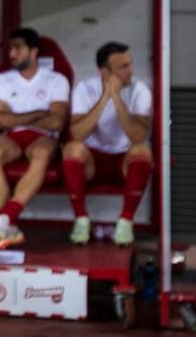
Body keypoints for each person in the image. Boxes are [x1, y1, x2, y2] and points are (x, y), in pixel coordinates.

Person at [0, 27, 69, 249]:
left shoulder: (56, 80)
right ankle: (6, 224)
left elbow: (57, 122)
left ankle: (5, 216)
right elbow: (0, 122)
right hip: (11, 137)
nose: (12, 53)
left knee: (41, 152)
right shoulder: (2, 80)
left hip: (43, 137)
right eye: (10, 49)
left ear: (34, 51)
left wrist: (16, 118)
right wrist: (39, 113)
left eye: (18, 48)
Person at [64, 42, 152, 246]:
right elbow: (77, 134)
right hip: (93, 162)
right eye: (123, 66)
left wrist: (117, 99)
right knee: (72, 149)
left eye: (130, 64)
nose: (131, 70)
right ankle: (81, 220)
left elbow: (138, 137)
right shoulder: (85, 88)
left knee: (142, 151)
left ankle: (125, 222)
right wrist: (105, 98)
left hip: (123, 162)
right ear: (105, 72)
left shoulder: (140, 90)